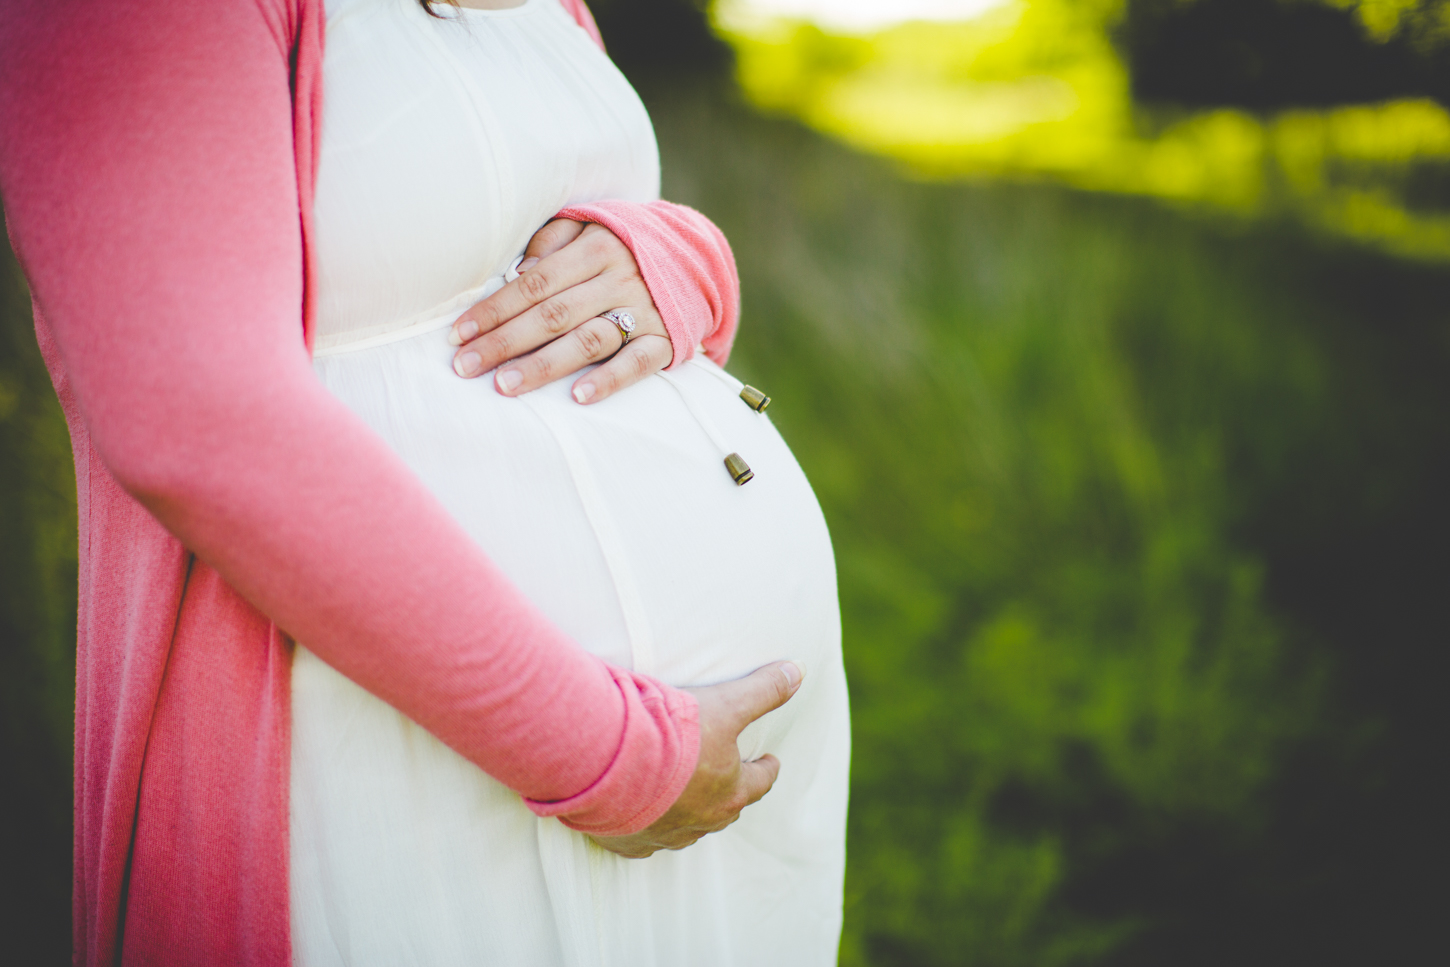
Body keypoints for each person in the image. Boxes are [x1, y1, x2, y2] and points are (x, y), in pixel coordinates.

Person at [0, 0, 849, 964]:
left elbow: (517, 238)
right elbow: (194, 417)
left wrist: (677, 261)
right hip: (412, 783)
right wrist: (605, 754)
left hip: (705, 799)